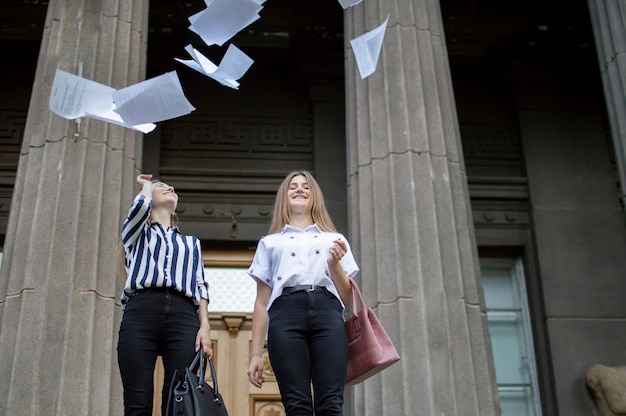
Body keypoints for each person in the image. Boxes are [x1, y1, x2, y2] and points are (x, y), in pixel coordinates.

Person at [246, 170, 360, 415]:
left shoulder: (335, 239)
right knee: (296, 404)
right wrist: (255, 354)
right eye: (293, 186)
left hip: (328, 314)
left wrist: (333, 263)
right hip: (285, 315)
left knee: (331, 403)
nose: (299, 189)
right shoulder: (270, 243)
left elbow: (348, 299)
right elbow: (261, 303)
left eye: (306, 186)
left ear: (314, 196)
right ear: (284, 197)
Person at [117, 173, 212, 416]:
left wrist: (205, 327)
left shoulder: (192, 243)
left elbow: (201, 285)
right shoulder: (136, 234)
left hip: (184, 316)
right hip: (141, 311)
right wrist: (146, 186)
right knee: (137, 401)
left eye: (171, 187)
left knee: (178, 403)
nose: (170, 187)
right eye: (161, 187)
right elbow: (139, 208)